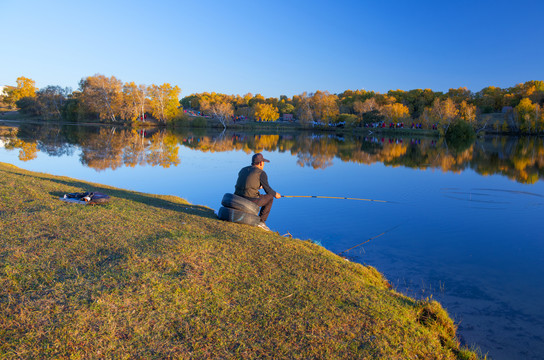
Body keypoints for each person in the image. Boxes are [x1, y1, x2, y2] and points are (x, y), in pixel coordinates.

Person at [234, 153, 281, 231]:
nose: (263, 165)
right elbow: (268, 190)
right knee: (270, 198)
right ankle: (261, 222)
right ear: (261, 163)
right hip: (249, 199)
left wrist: (258, 187)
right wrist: (276, 194)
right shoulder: (261, 173)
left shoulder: (243, 169)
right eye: (263, 163)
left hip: (236, 197)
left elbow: (246, 184)